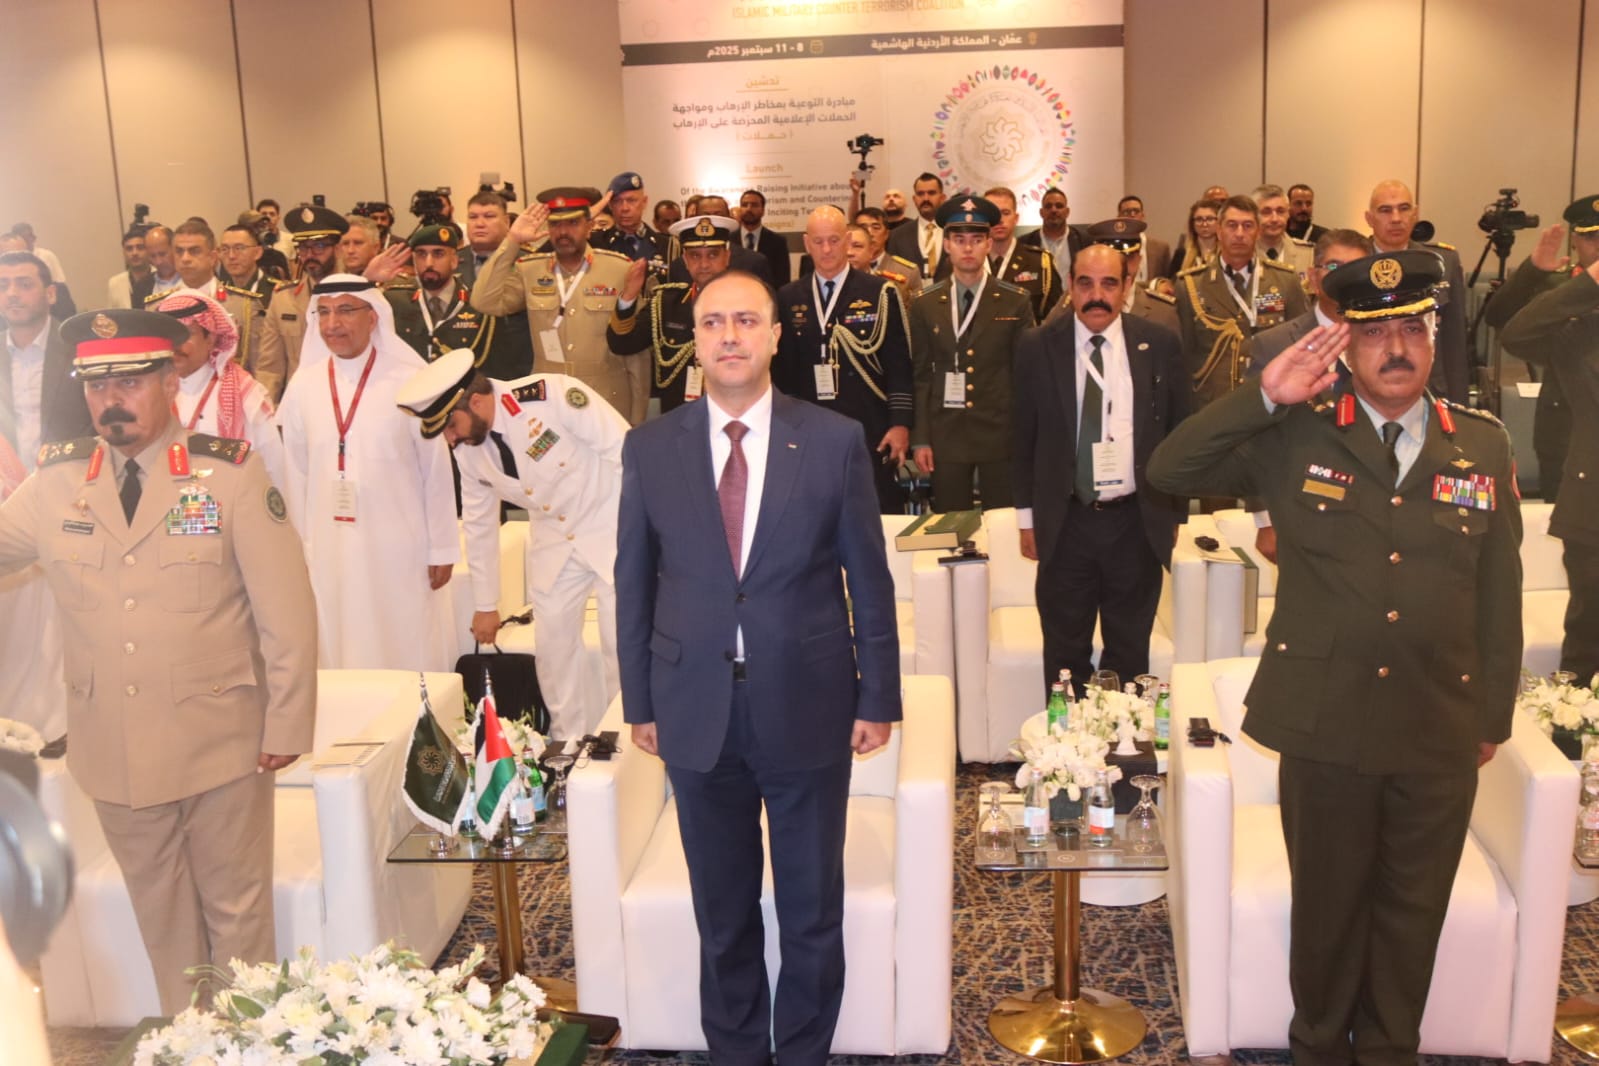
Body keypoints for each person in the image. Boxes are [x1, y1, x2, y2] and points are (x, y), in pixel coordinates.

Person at [1147, 250, 1522, 1066]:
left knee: (1412, 912)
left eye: (1411, 329)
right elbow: (1169, 468)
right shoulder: (1296, 431)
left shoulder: (1481, 445)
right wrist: (1261, 396)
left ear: (1433, 338)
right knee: (1325, 910)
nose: (1397, 347)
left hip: (1436, 722)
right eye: (1376, 332)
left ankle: (1389, 1050)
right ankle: (1317, 1047)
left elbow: (1499, 591)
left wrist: (1490, 717)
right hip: (1325, 721)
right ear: (1345, 344)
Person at [616, 268, 900, 1066]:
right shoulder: (651, 446)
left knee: (811, 910)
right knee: (723, 913)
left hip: (808, 703)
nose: (729, 336)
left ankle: (803, 1053)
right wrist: (640, 701)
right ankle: (737, 1052)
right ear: (694, 342)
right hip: (693, 708)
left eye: (746, 320)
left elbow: (868, 578)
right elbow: (633, 580)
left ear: (776, 335)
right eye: (712, 323)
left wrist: (877, 694)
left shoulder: (834, 440)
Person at [0, 307, 317, 1014]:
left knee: (237, 911)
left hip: (220, 740)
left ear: (169, 382)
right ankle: (191, 1041)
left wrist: (288, 722)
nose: (110, 400)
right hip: (113, 747)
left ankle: (251, 1044)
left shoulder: (228, 473)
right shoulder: (57, 481)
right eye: (97, 386)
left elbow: (287, 609)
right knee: (161, 917)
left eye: (130, 382)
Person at [397, 348, 627, 739]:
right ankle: (567, 741)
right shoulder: (469, 449)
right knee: (553, 650)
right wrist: (486, 605)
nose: (450, 440)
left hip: (612, 527)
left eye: (451, 426)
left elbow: (627, 451)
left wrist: (651, 532)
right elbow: (479, 523)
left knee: (620, 645)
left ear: (475, 401)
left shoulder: (552, 396)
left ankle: (624, 740)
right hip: (554, 543)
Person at [1013, 243, 1189, 698]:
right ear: (1070, 287)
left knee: (1129, 652)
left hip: (1136, 522)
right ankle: (1066, 740)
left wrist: (1173, 514)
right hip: (1065, 521)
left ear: (1127, 286)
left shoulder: (1159, 344)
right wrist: (1026, 519)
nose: (1097, 295)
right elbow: (1021, 438)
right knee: (1064, 652)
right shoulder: (1037, 346)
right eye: (1086, 283)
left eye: (1109, 283)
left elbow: (1179, 432)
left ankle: (1121, 738)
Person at [276, 275, 459, 671]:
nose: (332, 324)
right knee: (338, 638)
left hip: (400, 543)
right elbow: (296, 474)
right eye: (324, 313)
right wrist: (298, 549)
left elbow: (436, 469)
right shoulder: (304, 385)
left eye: (345, 311)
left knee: (404, 635)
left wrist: (442, 547)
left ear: (373, 316)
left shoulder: (410, 379)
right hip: (329, 544)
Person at [1500, 197, 1599, 681]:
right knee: (1588, 639)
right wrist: (1590, 284)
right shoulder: (1578, 326)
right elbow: (1514, 333)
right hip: (1593, 501)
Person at [1241, 229, 1374, 563]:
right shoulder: (1274, 345)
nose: (1344, 278)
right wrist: (1265, 518)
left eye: (1356, 269)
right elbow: (1254, 434)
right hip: (1299, 511)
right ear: (1313, 278)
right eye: (1334, 267)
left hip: (1376, 511)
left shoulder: (1387, 341)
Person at [773, 206, 913, 512]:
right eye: (818, 241)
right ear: (807, 243)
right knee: (814, 515)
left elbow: (899, 365)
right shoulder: (788, 297)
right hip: (808, 427)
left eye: (834, 240)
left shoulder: (880, 293)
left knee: (874, 513)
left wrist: (900, 424)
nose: (826, 249)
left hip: (869, 425)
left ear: (848, 240)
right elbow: (783, 373)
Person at [470, 187, 642, 424]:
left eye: (573, 223)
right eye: (555, 224)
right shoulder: (529, 269)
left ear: (589, 226)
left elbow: (636, 353)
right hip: (547, 400)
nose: (563, 232)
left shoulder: (619, 269)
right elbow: (484, 301)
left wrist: (637, 419)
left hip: (605, 399)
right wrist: (512, 241)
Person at [909, 195, 1034, 510]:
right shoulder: (924, 303)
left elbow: (1026, 375)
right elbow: (921, 375)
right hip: (946, 432)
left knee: (1003, 523)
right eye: (959, 240)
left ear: (989, 244)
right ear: (946, 245)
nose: (968, 248)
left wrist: (1026, 435)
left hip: (1000, 432)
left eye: (977, 240)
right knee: (952, 525)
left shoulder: (1015, 301)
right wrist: (921, 438)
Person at [1487, 210, 1593, 500]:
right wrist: (1533, 270)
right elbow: (1498, 317)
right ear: (1575, 240)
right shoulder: (1554, 284)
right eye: (1591, 237)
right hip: (1564, 430)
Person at [1176, 195, 1310, 409]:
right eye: (1232, 225)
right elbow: (1186, 354)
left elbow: (1301, 343)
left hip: (1270, 401)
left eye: (1247, 226)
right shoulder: (1191, 285)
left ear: (1258, 231)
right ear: (1219, 230)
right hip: (1213, 404)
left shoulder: (1285, 281)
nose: (1239, 233)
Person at [153, 290, 287, 489]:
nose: (175, 345)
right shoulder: (149, 392)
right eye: (168, 336)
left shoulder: (246, 395)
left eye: (186, 334)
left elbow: (274, 469)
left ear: (210, 339)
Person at [609, 215, 733, 413]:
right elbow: (622, 344)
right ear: (685, 260)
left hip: (732, 412)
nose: (704, 264)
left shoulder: (748, 307)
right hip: (678, 415)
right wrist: (629, 297)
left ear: (727, 257)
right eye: (695, 256)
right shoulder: (666, 303)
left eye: (712, 255)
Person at [1366, 180, 1470, 403]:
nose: (1396, 218)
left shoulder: (1443, 262)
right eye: (1385, 210)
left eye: (1404, 209)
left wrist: (1458, 405)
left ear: (1415, 214)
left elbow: (1455, 343)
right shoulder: (1355, 263)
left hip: (1430, 390)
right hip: (1368, 388)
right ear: (1369, 218)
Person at [386, 223, 531, 380]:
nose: (428, 263)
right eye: (421, 254)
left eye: (438, 254)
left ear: (454, 261)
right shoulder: (395, 303)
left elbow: (499, 367)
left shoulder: (478, 306)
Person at [256, 204, 348, 401]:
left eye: (319, 246)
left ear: (338, 249)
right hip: (300, 404)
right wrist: (266, 410)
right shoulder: (283, 299)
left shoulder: (358, 295)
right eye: (303, 248)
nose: (310, 255)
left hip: (347, 399)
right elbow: (270, 368)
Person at [934, 187, 1059, 322]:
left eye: (1006, 213)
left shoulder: (1039, 263)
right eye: (995, 214)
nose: (1000, 220)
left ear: (1016, 218)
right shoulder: (959, 262)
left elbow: (1055, 319)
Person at [1053, 218, 1182, 337]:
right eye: (1111, 259)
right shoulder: (1071, 304)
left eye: (1128, 258)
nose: (1121, 267)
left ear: (1139, 260)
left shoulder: (1163, 314)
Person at [594, 171, 678, 285]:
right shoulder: (597, 243)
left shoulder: (668, 245)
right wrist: (590, 213)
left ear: (644, 202)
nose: (625, 208)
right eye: (617, 201)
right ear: (610, 205)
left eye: (631, 200)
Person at [885, 172, 947, 276]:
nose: (926, 198)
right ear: (914, 199)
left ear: (942, 198)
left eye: (931, 193)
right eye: (920, 194)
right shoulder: (896, 236)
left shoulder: (955, 232)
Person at [1252, 184, 1315, 284]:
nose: (1274, 219)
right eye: (1266, 212)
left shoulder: (1307, 254)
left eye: (1280, 211)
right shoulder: (1243, 252)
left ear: (1288, 214)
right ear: (1253, 215)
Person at [1018, 186, 1081, 273]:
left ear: (1067, 212)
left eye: (1059, 206)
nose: (1053, 210)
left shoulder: (1082, 242)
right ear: (1041, 212)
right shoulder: (1024, 244)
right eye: (1048, 206)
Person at [737, 189, 792, 287]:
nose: (749, 209)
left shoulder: (778, 242)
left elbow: (783, 281)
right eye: (744, 205)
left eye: (754, 205)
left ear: (763, 210)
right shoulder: (728, 240)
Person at [460, 190, 514, 287]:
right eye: (473, 217)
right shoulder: (452, 261)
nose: (479, 224)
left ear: (506, 222)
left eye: (489, 216)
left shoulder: (523, 261)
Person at [1113, 195, 1173, 280]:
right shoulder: (1112, 249)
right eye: (1127, 212)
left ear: (1143, 215)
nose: (1132, 215)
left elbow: (1166, 282)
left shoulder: (1161, 248)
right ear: (1119, 217)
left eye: (1136, 211)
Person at [1171, 197, 1222, 274]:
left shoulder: (1226, 254)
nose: (1204, 224)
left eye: (1210, 219)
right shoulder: (1181, 254)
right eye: (1199, 219)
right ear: (1192, 224)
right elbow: (1172, 280)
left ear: (1219, 221)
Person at [106, 226, 153, 310]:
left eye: (140, 247)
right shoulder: (114, 283)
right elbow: (112, 314)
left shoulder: (160, 277)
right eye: (129, 249)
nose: (134, 253)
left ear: (148, 250)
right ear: (124, 252)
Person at [143, 225, 181, 298]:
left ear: (175, 248)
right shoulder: (142, 287)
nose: (158, 262)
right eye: (152, 256)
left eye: (162, 254)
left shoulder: (193, 278)